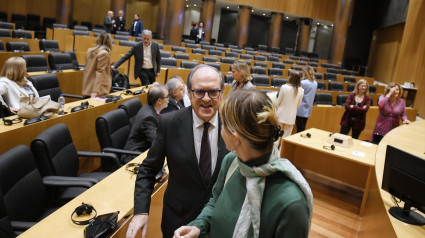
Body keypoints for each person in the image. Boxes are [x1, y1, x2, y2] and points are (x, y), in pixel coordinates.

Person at [174, 90, 313, 238]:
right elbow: (215, 202)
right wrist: (199, 225)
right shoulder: (231, 162)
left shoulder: (292, 204)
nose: (220, 129)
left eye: (223, 125)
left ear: (236, 138)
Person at [125, 65, 228, 238]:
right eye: (199, 91)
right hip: (178, 220)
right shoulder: (169, 123)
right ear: (188, 92)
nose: (206, 98)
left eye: (213, 92)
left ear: (222, 93)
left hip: (218, 221)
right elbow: (148, 169)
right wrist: (141, 211)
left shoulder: (232, 124)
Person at [121, 85, 169, 163]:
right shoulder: (149, 117)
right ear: (159, 101)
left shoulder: (150, 108)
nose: (168, 99)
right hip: (135, 155)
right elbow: (156, 142)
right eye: (167, 97)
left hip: (145, 149)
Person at [82, 32, 113, 98]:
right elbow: (100, 72)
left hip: (88, 85)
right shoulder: (104, 53)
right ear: (109, 41)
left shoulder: (89, 50)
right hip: (98, 89)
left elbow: (88, 67)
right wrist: (95, 91)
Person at [276, 70, 304, 141]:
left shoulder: (284, 87)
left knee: (276, 135)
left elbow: (278, 102)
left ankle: (274, 152)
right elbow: (298, 105)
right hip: (291, 116)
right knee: (286, 138)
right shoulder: (301, 90)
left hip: (280, 114)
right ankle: (282, 152)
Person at [296, 66, 317, 132]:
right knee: (302, 128)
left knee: (299, 129)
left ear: (305, 72)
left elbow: (297, 94)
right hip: (308, 109)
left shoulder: (303, 82)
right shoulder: (315, 83)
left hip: (300, 108)